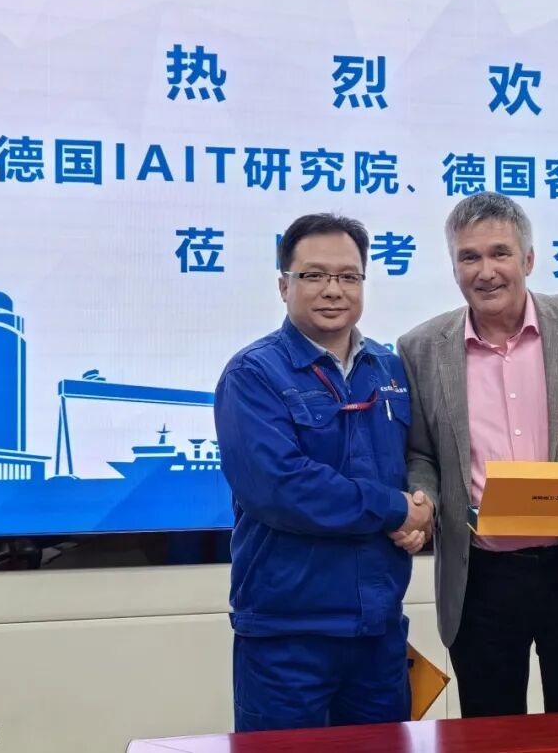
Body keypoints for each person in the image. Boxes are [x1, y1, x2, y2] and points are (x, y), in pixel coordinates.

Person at [395, 191, 558, 717]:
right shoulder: (420, 348)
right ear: (453, 267)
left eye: (500, 253)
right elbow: (421, 454)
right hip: (480, 579)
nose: (486, 271)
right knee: (490, 737)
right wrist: (422, 501)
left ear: (529, 259)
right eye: (469, 257)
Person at [214, 213, 433, 732]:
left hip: (378, 630)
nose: (333, 290)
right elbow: (282, 488)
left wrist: (424, 509)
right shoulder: (253, 373)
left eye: (348, 276)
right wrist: (397, 509)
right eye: (314, 275)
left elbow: (418, 459)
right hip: (287, 634)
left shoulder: (389, 369)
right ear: (284, 285)